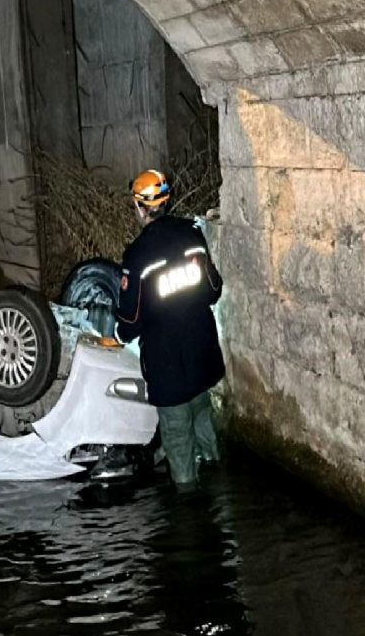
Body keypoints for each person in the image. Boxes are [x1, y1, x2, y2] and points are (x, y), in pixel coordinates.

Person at [114, 169, 224, 489]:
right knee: (205, 426)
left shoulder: (138, 256)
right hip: (202, 355)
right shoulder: (192, 235)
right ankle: (219, 488)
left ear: (139, 206)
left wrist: (118, 334)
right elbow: (213, 288)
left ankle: (188, 519)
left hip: (169, 369)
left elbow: (130, 322)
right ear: (165, 200)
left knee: (178, 444)